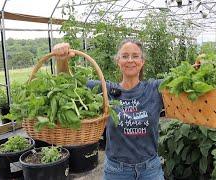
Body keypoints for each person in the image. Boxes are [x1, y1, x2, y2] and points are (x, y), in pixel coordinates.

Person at [53, 39, 165, 180]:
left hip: (150, 170)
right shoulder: (106, 90)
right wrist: (61, 60)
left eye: (135, 56)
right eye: (124, 56)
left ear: (142, 62)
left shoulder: (154, 88)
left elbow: (181, 79)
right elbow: (68, 83)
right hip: (117, 172)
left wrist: (199, 66)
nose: (130, 60)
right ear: (118, 61)